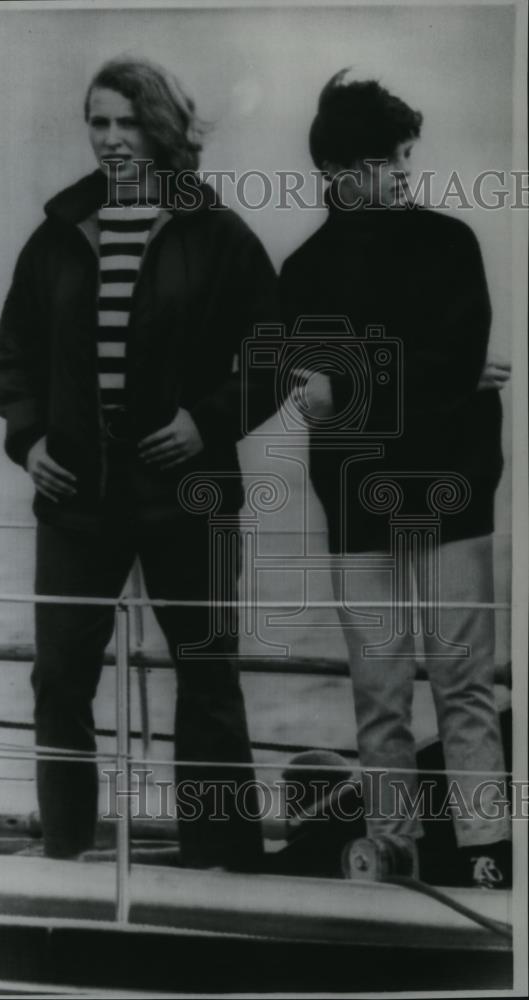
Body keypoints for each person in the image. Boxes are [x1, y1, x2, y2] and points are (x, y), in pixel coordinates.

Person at [0, 57, 279, 870]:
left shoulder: (217, 234)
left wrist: (205, 423)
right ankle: (68, 854)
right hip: (78, 497)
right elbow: (14, 360)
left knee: (208, 676)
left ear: (161, 127)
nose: (111, 139)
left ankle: (220, 862)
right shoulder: (55, 236)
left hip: (190, 492)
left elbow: (271, 352)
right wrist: (30, 439)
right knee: (58, 680)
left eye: (127, 121)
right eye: (97, 121)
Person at [279, 71, 512, 887]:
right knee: (378, 696)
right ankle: (392, 854)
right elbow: (314, 394)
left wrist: (354, 385)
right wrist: (429, 382)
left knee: (462, 686)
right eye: (392, 160)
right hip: (355, 509)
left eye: (407, 157)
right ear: (343, 170)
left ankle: (486, 855)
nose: (406, 172)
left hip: (453, 501)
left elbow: (347, 390)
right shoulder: (301, 272)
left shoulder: (450, 244)